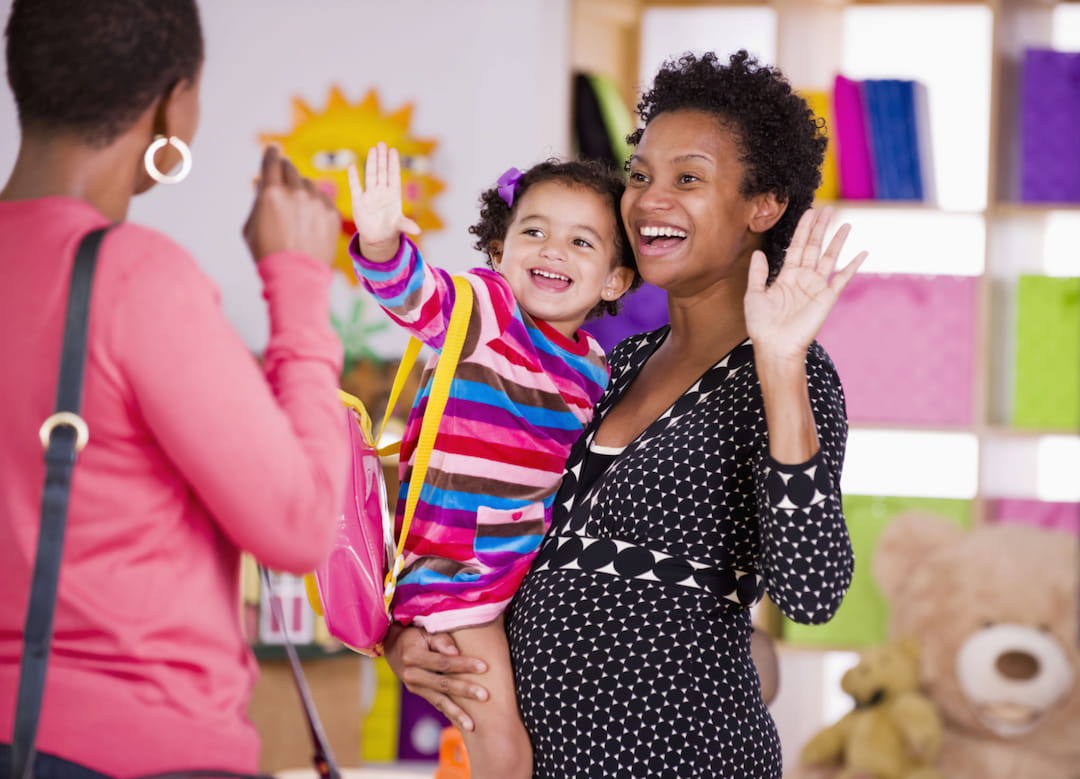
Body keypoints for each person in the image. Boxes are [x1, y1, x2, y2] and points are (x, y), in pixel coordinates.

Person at [384, 49, 865, 778]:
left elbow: (811, 587)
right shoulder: (612, 363)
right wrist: (411, 638)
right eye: (640, 175)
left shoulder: (790, 374)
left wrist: (780, 364)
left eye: (689, 178)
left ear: (762, 205)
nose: (649, 199)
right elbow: (502, 523)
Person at [0, 0, 347, 776]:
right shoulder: (134, 277)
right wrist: (297, 285)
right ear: (172, 102)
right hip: (132, 747)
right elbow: (296, 526)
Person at [348, 142, 638, 778]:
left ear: (615, 280)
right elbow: (415, 295)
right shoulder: (485, 310)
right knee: (500, 742)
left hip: (520, 568)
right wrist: (379, 246)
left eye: (582, 242)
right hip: (463, 569)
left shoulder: (594, 368)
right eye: (533, 231)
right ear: (499, 251)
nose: (553, 250)